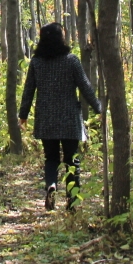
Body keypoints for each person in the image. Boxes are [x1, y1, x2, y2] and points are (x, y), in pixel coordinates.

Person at [18, 22, 101, 211]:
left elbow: (28, 90)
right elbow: (85, 87)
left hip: (46, 118)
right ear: (60, 38)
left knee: (51, 158)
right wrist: (99, 108)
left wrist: (23, 115)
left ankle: (51, 185)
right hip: (69, 118)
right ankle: (72, 201)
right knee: (72, 160)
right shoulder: (72, 61)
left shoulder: (36, 62)